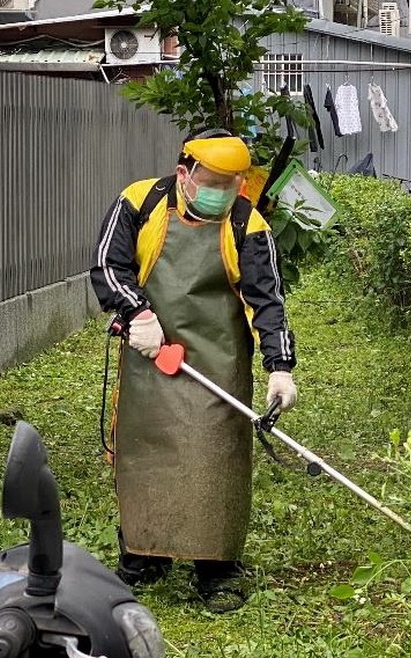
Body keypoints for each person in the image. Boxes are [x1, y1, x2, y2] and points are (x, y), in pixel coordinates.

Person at [90, 128, 298, 613]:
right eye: (214, 182)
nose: (224, 193)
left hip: (218, 359)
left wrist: (280, 366)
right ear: (184, 175)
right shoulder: (140, 202)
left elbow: (266, 300)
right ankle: (143, 555)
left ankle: (216, 568)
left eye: (233, 184)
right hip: (151, 354)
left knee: (215, 458)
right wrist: (135, 313)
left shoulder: (249, 226)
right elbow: (107, 264)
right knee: (146, 454)